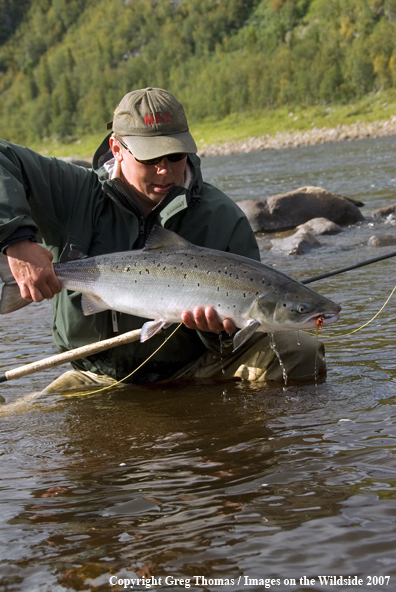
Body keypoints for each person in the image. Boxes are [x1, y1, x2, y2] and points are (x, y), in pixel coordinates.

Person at [0, 87, 325, 391]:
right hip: (95, 375)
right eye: (150, 158)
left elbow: (242, 334)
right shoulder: (75, 194)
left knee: (299, 350)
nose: (164, 171)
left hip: (194, 368)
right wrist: (17, 242)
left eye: (175, 156)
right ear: (117, 148)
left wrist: (218, 333)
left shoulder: (222, 218)